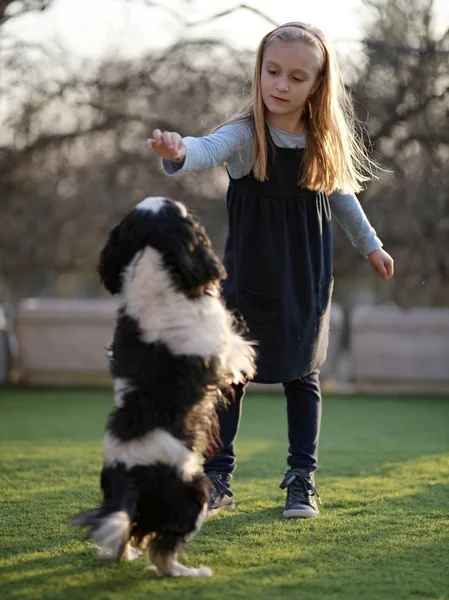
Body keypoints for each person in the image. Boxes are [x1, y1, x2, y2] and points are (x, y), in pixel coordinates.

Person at [145, 21, 394, 519]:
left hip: (305, 280)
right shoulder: (244, 134)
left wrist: (371, 246)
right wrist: (179, 152)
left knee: (303, 377)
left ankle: (302, 478)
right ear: (259, 70)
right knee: (229, 378)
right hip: (247, 281)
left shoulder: (322, 142)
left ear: (317, 85)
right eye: (272, 71)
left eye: (296, 77)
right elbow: (205, 148)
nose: (281, 84)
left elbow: (343, 198)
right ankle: (218, 477)